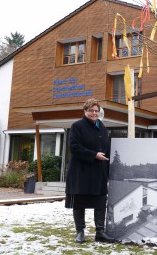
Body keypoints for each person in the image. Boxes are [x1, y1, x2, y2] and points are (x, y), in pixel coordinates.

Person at [65, 98, 114, 244]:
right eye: (91, 110)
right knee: (79, 202)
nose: (94, 113)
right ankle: (80, 232)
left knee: (100, 202)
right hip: (81, 172)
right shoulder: (77, 126)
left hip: (99, 172)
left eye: (96, 111)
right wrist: (94, 155)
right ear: (85, 111)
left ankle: (100, 232)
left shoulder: (103, 128)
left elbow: (107, 149)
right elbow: (74, 147)